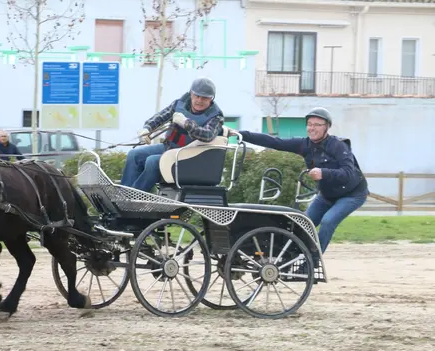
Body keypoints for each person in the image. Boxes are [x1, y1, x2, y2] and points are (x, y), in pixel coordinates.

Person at [232, 107, 368, 256]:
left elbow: (348, 173)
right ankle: (289, 258)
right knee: (302, 224)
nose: (312, 128)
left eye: (317, 124)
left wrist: (324, 173)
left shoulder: (338, 145)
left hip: (352, 194)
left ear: (327, 127)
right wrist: (240, 134)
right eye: (309, 124)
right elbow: (274, 142)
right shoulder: (305, 145)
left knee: (328, 222)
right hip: (327, 195)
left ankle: (313, 261)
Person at [120, 78, 225, 192]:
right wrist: (147, 129)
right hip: (170, 148)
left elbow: (208, 135)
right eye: (197, 96)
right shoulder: (179, 104)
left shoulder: (216, 117)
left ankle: (134, 195)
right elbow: (161, 117)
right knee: (134, 155)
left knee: (153, 162)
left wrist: (187, 123)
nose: (199, 100)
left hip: (190, 157)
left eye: (204, 97)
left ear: (211, 98)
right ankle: (124, 193)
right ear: (191, 93)